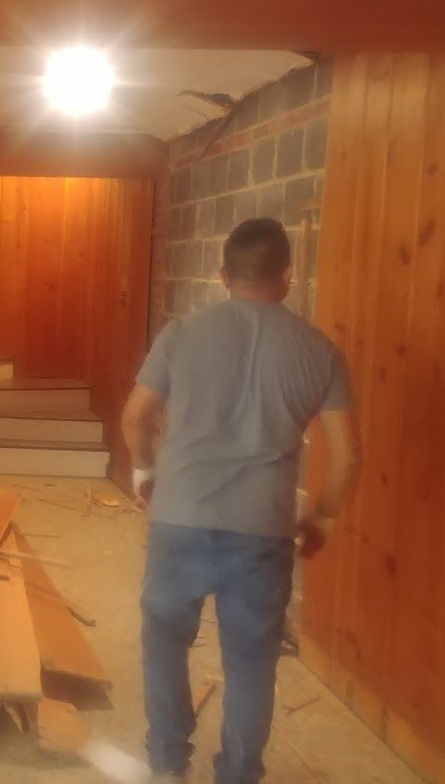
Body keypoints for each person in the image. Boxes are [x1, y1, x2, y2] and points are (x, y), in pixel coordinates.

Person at [121, 217, 360, 783]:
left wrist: (145, 472)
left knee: (164, 644)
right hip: (262, 531)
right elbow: (348, 457)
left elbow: (136, 417)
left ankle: (167, 764)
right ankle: (237, 774)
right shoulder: (321, 352)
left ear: (223, 275)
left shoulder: (182, 334)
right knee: (252, 664)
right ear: (287, 276)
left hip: (180, 519)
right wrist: (322, 515)